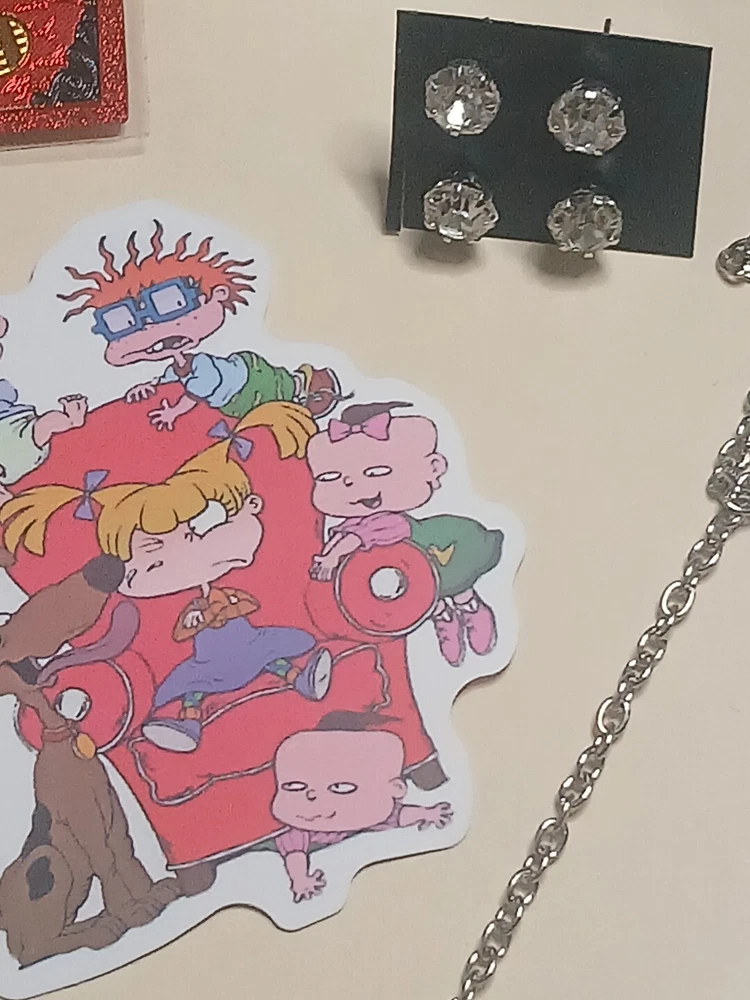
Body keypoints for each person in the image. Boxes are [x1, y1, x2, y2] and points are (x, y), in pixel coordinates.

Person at [0, 401, 333, 753]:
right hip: (205, 663)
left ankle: (301, 679)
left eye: (194, 531)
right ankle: (187, 725)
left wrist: (229, 607)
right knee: (193, 686)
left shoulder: (232, 582)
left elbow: (251, 601)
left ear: (251, 506)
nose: (160, 565)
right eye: (138, 565)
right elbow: (158, 636)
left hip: (250, 644)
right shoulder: (135, 608)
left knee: (270, 655)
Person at [58, 221, 344, 425]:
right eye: (121, 320)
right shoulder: (185, 365)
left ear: (217, 295)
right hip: (243, 393)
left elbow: (198, 389)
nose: (149, 327)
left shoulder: (204, 366)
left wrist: (174, 412)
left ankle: (305, 388)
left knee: (278, 394)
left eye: (168, 302)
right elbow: (176, 379)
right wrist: (149, 387)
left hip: (250, 380)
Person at [306, 402, 503, 667]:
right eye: (331, 477)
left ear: (433, 467)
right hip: (404, 576)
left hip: (437, 552)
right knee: (419, 600)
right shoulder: (348, 525)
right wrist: (329, 555)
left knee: (456, 583)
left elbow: (363, 536)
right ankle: (443, 617)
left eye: (377, 472)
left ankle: (471, 608)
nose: (353, 484)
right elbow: (347, 538)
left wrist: (331, 557)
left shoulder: (391, 522)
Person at [271, 711, 453, 902]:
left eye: (341, 788)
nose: (312, 796)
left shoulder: (370, 810)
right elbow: (294, 853)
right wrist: (299, 879)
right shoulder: (298, 825)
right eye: (295, 786)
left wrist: (427, 813)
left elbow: (399, 816)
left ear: (395, 789)